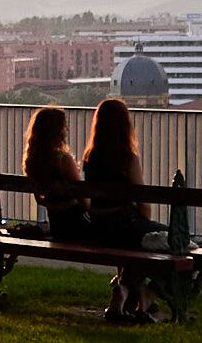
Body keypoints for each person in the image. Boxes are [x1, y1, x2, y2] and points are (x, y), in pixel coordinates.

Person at [85, 94, 156, 320]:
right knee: (168, 239)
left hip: (98, 227)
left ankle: (126, 294)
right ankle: (136, 292)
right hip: (123, 224)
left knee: (134, 245)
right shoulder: (128, 158)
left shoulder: (91, 157)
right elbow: (143, 202)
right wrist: (145, 224)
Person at [23, 105, 88, 241]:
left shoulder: (33, 161)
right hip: (78, 225)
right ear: (58, 131)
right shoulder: (63, 159)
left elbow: (39, 199)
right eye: (64, 127)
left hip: (57, 225)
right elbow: (81, 195)